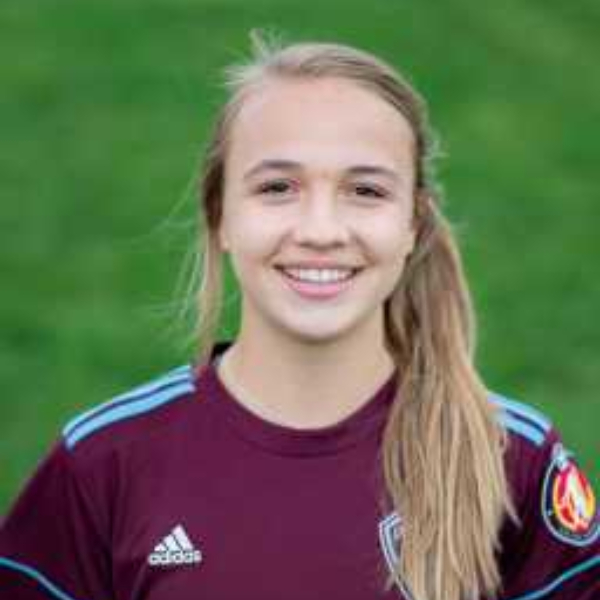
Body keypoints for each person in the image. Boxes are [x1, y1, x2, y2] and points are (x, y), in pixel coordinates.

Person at [0, 33, 598, 600]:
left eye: (366, 191)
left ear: (412, 225)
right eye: (278, 187)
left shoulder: (513, 457)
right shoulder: (105, 460)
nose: (320, 231)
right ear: (220, 215)